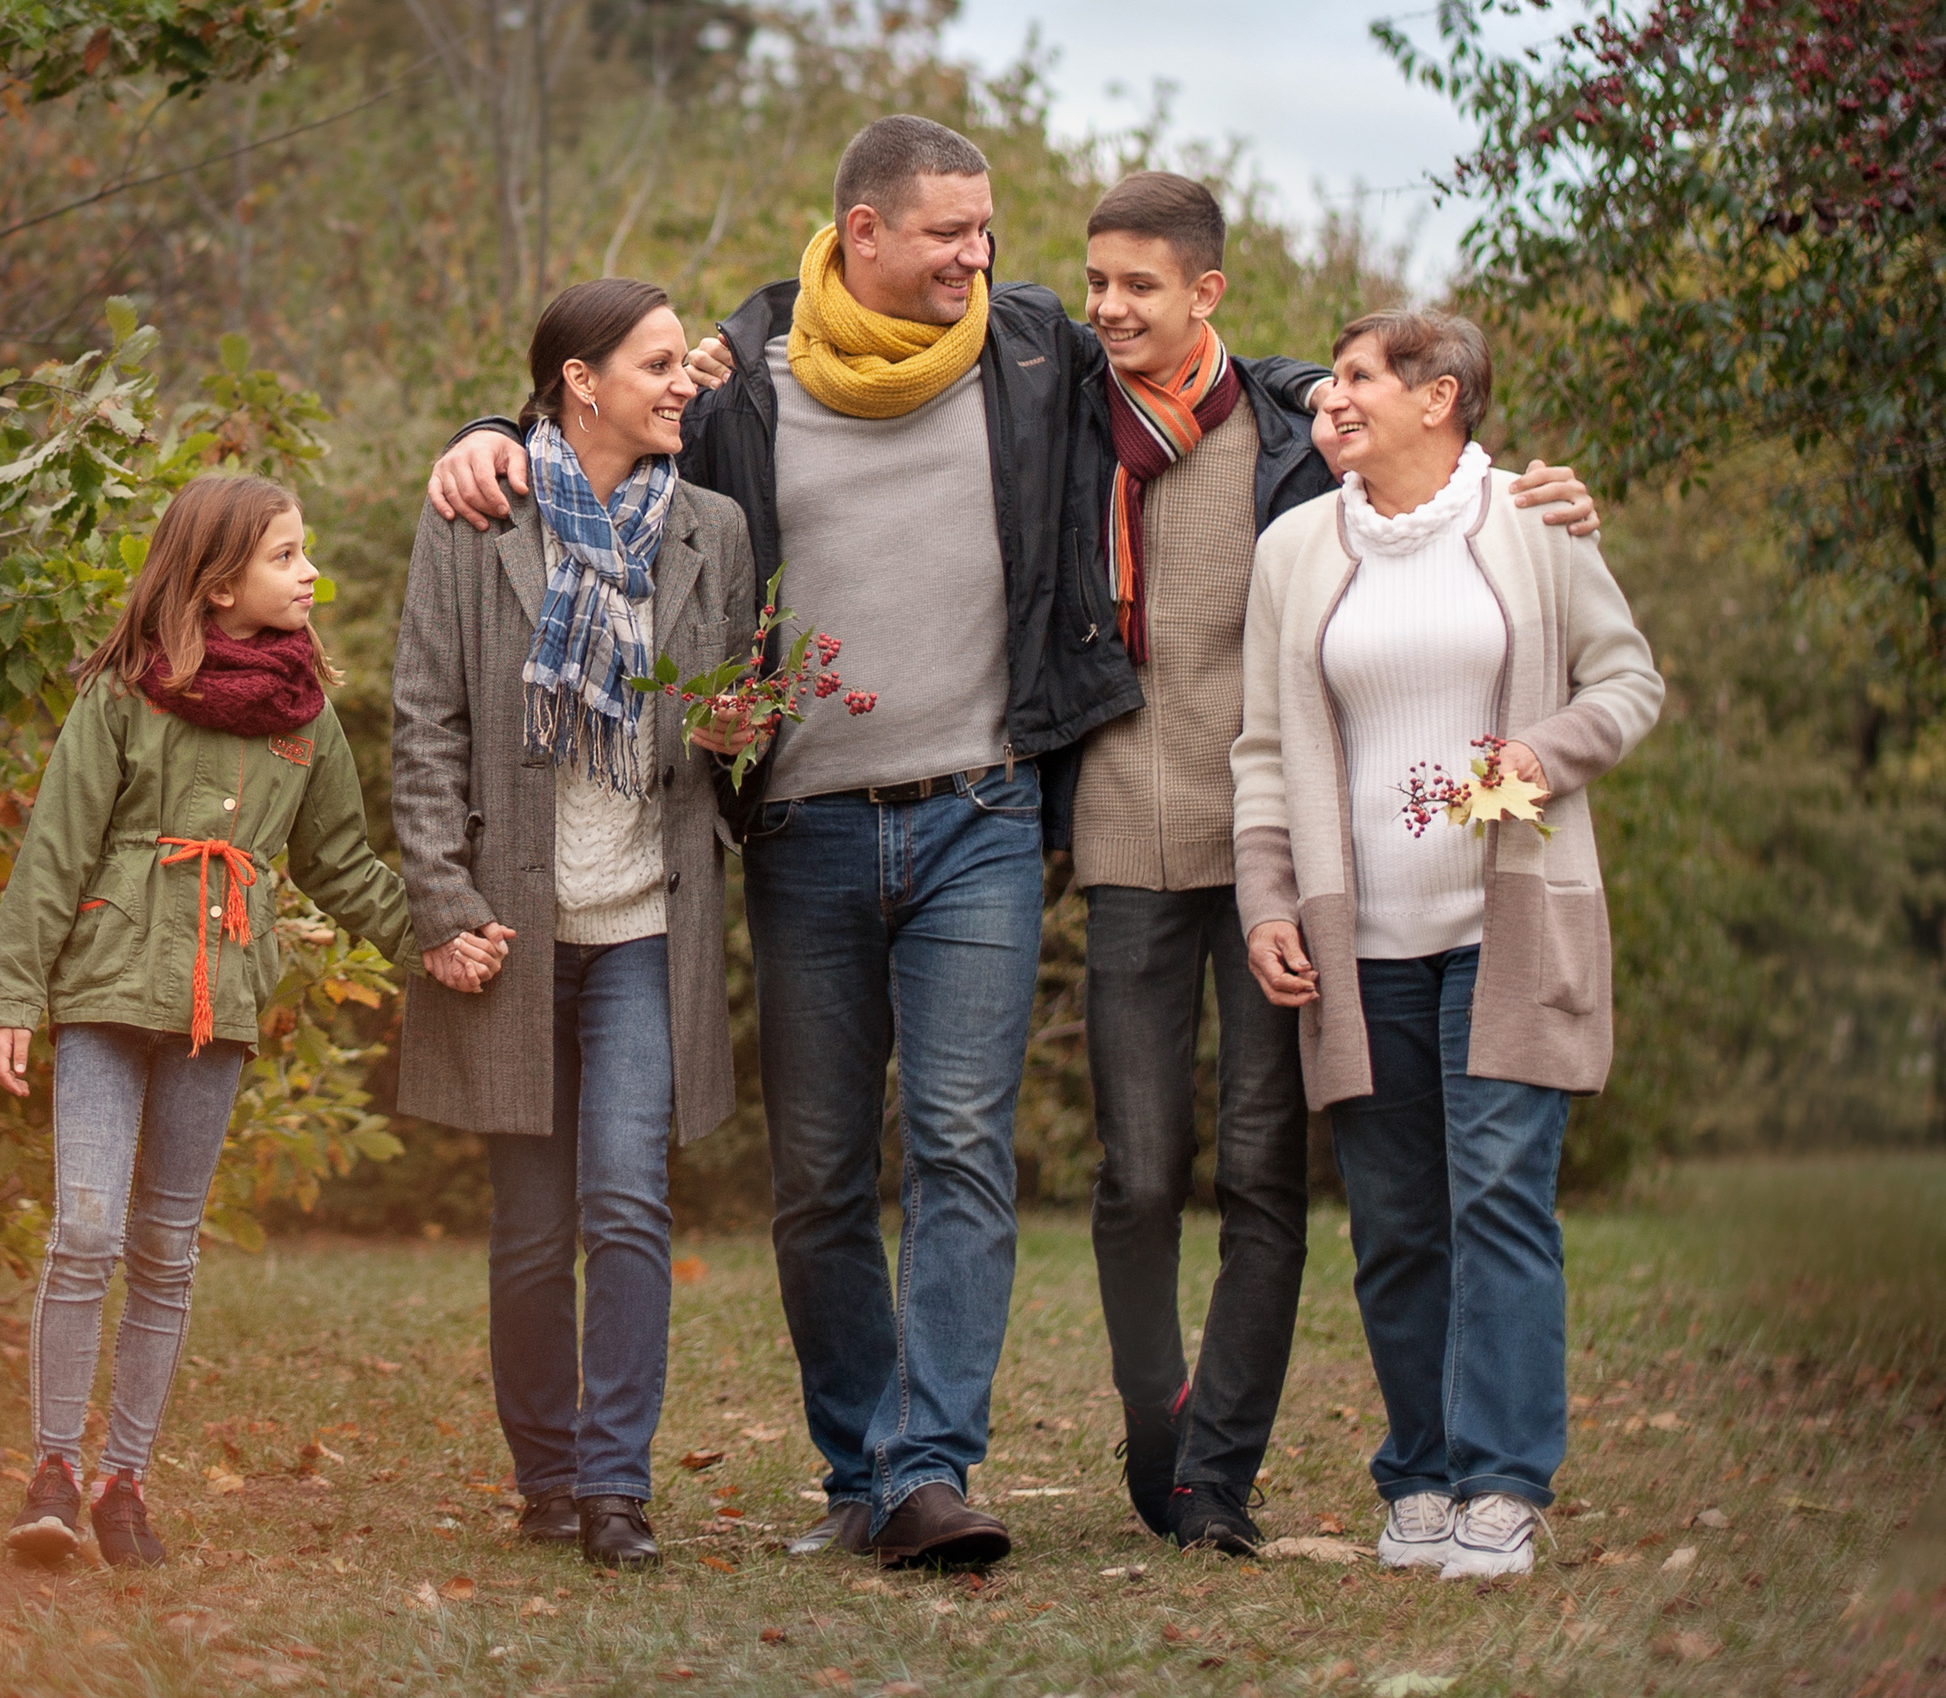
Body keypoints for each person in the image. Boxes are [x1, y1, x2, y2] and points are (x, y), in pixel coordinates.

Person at [428, 115, 1138, 1569]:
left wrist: (1400, 421)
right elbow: (598, 436)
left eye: (986, 228)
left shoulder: (1030, 351)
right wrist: (492, 433)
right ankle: (856, 1468)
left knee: (956, 1144)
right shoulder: (746, 377)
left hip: (983, 815)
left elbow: (1218, 379)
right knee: (816, 1171)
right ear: (861, 232)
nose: (978, 254)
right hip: (806, 831)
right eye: (948, 230)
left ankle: (930, 1468)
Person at [1054, 174, 1601, 1557]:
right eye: (1096, 284)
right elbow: (1265, 735)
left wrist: (1527, 748)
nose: (1112, 308)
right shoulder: (1097, 435)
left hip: (1397, 896)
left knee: (1365, 1185)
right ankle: (1288, 1447)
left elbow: (1599, 656)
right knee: (1258, 1201)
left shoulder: (1407, 488)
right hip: (1231, 878)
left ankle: (1391, 1480)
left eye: (1143, 286)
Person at [1233, 310, 1662, 1580]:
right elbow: (1263, 747)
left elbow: (1626, 682)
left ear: (1442, 397)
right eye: (1333, 383)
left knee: (1499, 1199)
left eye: (1361, 380)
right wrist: (1268, 899)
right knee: (1400, 1222)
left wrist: (1542, 752)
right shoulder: (1296, 549)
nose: (1334, 402)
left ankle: (1503, 1482)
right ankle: (1419, 1476)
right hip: (1358, 943)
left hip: (1509, 927)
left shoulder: (1535, 522)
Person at [0, 475, 414, 1568]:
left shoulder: (306, 720)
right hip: (103, 995)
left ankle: (125, 1481)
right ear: (218, 586)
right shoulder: (125, 694)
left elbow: (343, 864)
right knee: (86, 1228)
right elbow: (54, 850)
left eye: (303, 551)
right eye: (285, 555)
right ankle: (53, 1473)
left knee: (166, 1248)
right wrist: (13, 993)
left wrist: (437, 938)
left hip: (216, 1010)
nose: (309, 571)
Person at [392, 278, 756, 1570]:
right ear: (579, 381)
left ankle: (615, 1485)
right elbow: (425, 719)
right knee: (534, 1227)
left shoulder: (711, 527)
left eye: (684, 363)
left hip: (648, 924)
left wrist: (737, 737)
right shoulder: (476, 521)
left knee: (627, 1201)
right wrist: (441, 899)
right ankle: (544, 1474)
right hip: (512, 929)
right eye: (656, 363)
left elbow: (735, 729)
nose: (681, 383)